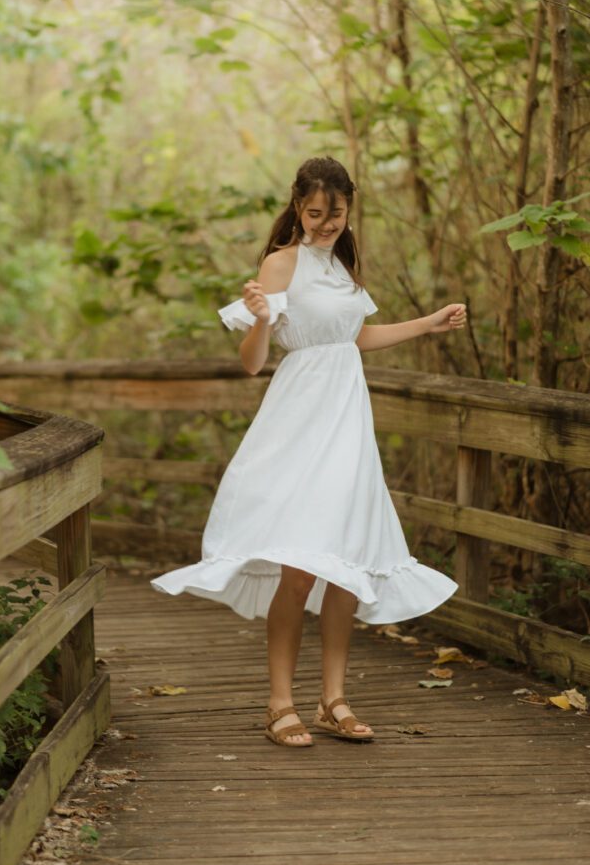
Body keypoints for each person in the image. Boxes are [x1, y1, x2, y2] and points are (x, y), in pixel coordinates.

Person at [151, 156, 465, 747]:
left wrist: (427, 324)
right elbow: (251, 362)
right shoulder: (280, 264)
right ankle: (279, 703)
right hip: (298, 423)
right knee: (298, 569)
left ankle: (334, 700)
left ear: (350, 209)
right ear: (298, 206)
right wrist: (263, 319)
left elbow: (354, 336)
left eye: (336, 214)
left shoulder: (344, 266)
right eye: (315, 213)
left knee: (343, 566)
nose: (325, 224)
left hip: (348, 424)